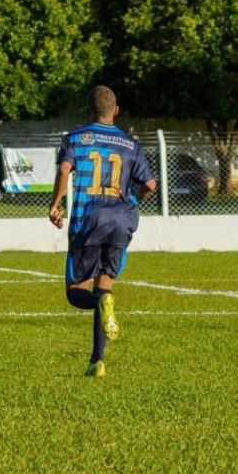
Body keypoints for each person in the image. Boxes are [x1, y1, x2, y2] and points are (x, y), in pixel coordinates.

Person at [49, 85, 158, 379]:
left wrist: (56, 204)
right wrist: (132, 201)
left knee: (76, 292)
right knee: (105, 286)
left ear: (90, 110)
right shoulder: (131, 144)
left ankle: (99, 308)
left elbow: (64, 170)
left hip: (88, 219)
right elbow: (151, 185)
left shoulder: (75, 138)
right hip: (122, 220)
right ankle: (97, 361)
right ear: (116, 110)